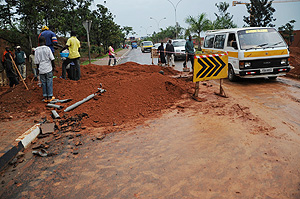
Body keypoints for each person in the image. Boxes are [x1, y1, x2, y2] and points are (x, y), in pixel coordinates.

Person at [35, 36, 56, 103]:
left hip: (41, 69)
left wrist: (38, 70)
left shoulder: (36, 50)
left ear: (39, 42)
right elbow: (52, 59)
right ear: (45, 41)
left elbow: (37, 62)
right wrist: (54, 67)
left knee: (43, 83)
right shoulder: (47, 49)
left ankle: (45, 96)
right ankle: (50, 96)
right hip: (48, 68)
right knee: (49, 82)